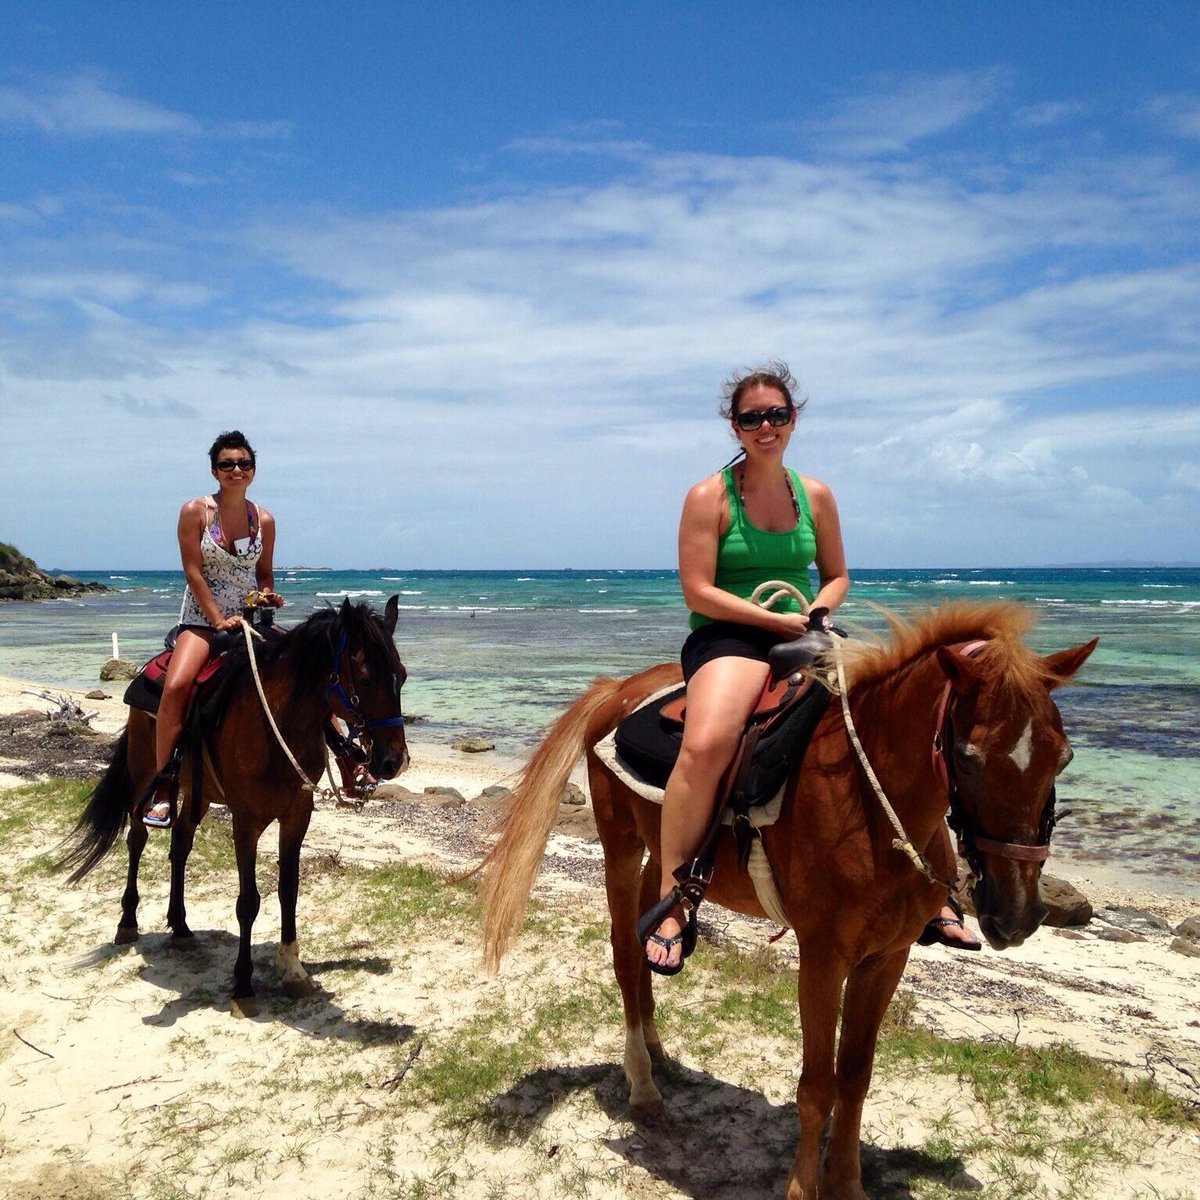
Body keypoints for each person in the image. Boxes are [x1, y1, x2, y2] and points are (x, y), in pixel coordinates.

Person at [639, 363, 981, 975]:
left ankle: (937, 887)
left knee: (900, 724)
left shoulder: (815, 494)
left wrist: (819, 612)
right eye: (751, 418)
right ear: (734, 427)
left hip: (805, 629)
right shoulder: (707, 498)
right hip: (730, 637)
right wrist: (778, 623)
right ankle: (674, 897)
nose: (765, 426)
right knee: (709, 742)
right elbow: (697, 591)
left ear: (793, 419)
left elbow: (836, 574)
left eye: (776, 414)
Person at [145, 431, 281, 827]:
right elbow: (192, 572)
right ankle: (165, 783)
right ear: (214, 471)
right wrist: (218, 619)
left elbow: (264, 574)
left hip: (250, 619)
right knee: (176, 686)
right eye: (227, 464)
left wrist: (267, 597)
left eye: (243, 463)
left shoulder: (265, 520)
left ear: (253, 470)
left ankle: (346, 759)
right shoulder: (195, 511)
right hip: (202, 620)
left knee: (309, 666)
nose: (236, 470)